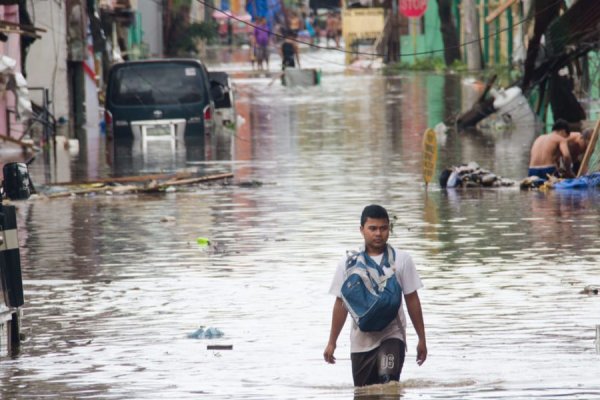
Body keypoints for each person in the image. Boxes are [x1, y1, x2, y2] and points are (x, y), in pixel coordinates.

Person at [324, 204, 427, 387]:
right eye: (372, 228)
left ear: (389, 229)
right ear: (361, 230)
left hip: (392, 336)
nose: (378, 233)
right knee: (365, 393)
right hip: (360, 343)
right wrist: (332, 342)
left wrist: (422, 339)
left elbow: (412, 300)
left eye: (383, 228)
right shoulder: (348, 264)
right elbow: (341, 304)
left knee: (389, 386)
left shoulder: (402, 260)